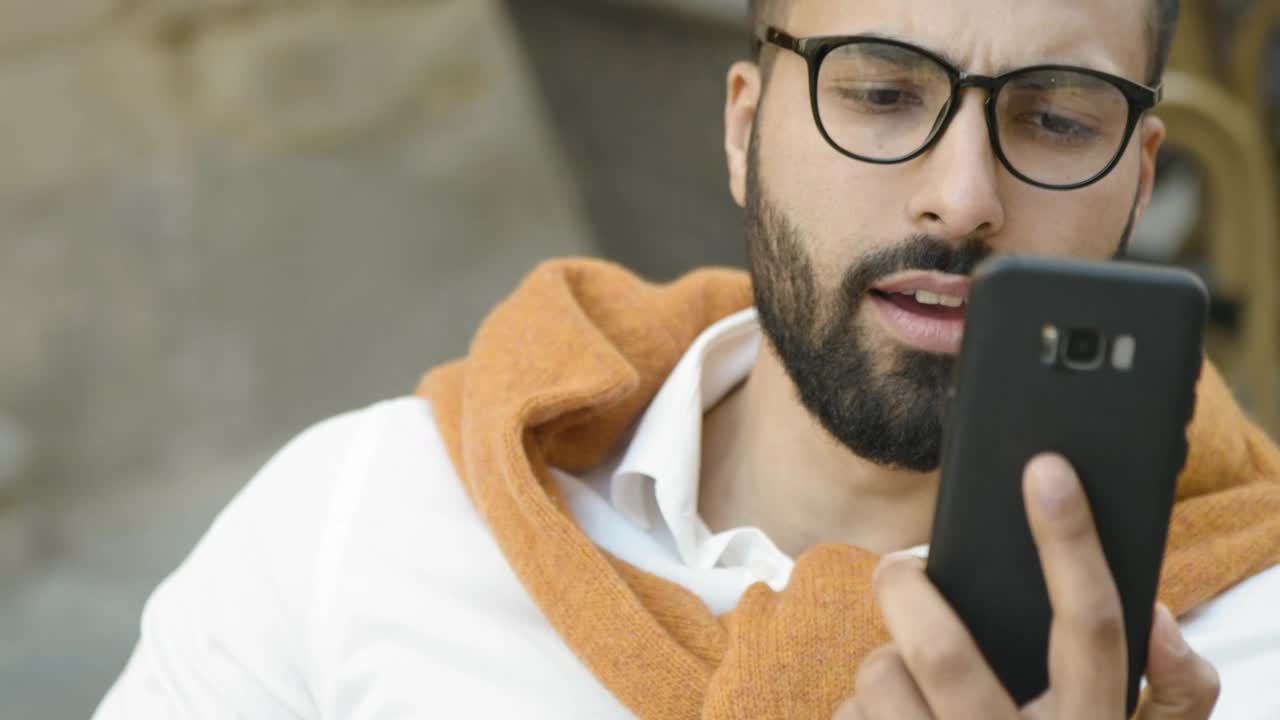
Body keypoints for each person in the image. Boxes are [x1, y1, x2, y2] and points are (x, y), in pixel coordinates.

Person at [95, 1, 1280, 718]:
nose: (959, 198)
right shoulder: (361, 523)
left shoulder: (1246, 646)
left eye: (1055, 120)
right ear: (741, 129)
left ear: (1136, 178)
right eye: (877, 91)